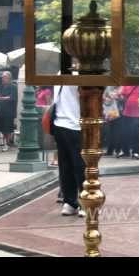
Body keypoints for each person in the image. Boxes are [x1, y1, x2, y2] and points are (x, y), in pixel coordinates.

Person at [52, 85, 86, 217]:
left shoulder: (62, 74)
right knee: (74, 165)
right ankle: (75, 201)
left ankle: (73, 202)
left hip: (67, 124)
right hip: (71, 123)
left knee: (70, 165)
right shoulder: (76, 74)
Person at [117, 85, 139, 160]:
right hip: (127, 113)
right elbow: (123, 97)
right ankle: (125, 151)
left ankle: (136, 152)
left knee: (137, 134)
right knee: (125, 133)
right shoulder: (127, 85)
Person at [0, 71, 18, 152]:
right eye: (2, 77)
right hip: (2, 110)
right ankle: (6, 143)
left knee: (7, 128)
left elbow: (11, 98)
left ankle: (6, 143)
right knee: (3, 128)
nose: (3, 79)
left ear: (9, 78)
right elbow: (0, 95)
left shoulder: (13, 87)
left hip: (9, 111)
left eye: (4, 77)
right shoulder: (2, 87)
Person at [102, 86, 122, 157]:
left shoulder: (122, 88)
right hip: (111, 112)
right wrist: (108, 99)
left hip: (121, 112)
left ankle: (118, 150)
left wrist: (118, 97)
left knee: (118, 133)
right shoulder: (109, 87)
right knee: (110, 132)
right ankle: (110, 150)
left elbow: (123, 99)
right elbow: (103, 97)